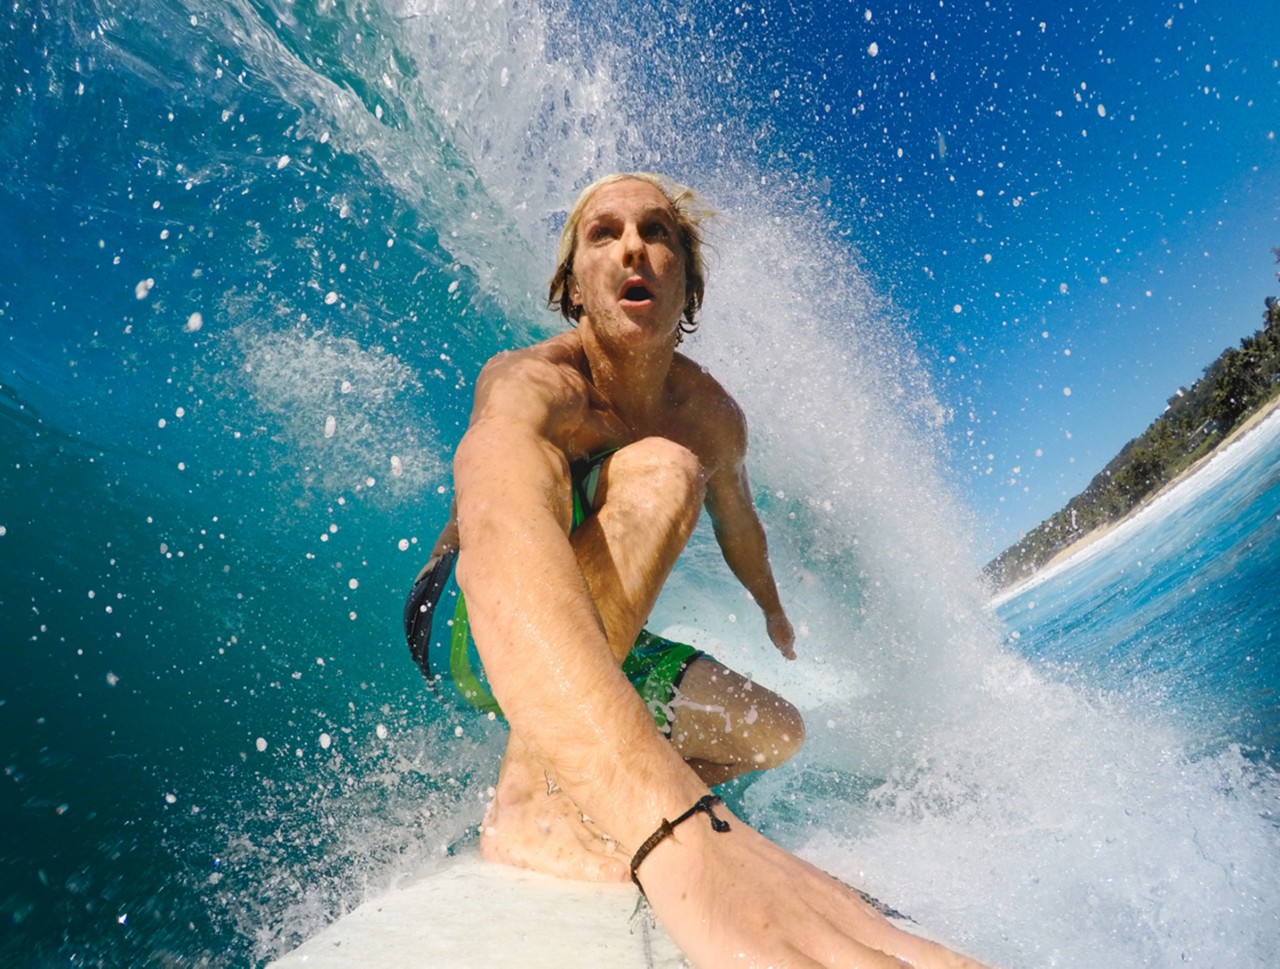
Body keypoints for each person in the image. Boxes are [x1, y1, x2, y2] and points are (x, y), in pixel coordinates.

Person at [409, 173, 990, 968]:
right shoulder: (532, 384)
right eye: (602, 234)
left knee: (777, 730)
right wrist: (675, 829)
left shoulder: (711, 415)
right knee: (662, 472)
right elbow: (501, 527)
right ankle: (533, 803)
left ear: (686, 279)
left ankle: (587, 779)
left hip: (594, 627)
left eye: (657, 231)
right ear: (571, 285)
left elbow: (740, 527)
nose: (633, 246)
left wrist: (772, 608)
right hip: (475, 626)